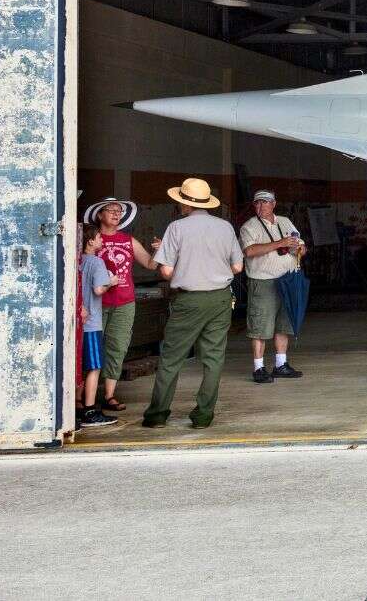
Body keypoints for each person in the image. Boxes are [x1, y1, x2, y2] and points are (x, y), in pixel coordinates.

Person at [141, 177, 244, 430]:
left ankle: (157, 414)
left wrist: (185, 269)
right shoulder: (225, 227)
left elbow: (165, 272)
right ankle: (203, 415)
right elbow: (238, 266)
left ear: (185, 204)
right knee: (213, 358)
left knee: (171, 358)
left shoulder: (176, 228)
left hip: (189, 300)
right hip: (220, 298)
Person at [82, 197, 156, 414]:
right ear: (99, 215)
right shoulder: (91, 239)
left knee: (118, 346)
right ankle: (81, 397)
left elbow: (151, 264)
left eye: (119, 211)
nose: (116, 214)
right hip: (96, 303)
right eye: (110, 210)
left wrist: (162, 250)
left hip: (124, 302)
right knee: (89, 347)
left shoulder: (128, 240)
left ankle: (109, 395)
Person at [238, 189, 306, 383]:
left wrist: (299, 248)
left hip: (287, 280)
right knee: (260, 325)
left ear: (273, 204)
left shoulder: (285, 222)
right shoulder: (249, 226)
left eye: (265, 203)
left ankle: (280, 364)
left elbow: (302, 246)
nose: (261, 207)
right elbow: (249, 251)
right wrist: (279, 243)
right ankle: (258, 368)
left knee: (284, 324)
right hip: (263, 281)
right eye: (257, 203)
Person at [77, 224, 118, 428]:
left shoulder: (77, 260)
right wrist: (112, 281)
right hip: (91, 322)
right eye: (99, 238)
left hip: (76, 324)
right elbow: (98, 289)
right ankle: (90, 411)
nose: (102, 241)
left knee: (78, 367)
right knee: (94, 367)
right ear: (91, 241)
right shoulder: (97, 262)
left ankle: (76, 406)